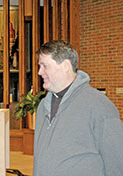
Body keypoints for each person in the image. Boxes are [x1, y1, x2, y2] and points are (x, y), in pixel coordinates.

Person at [33, 40, 123, 176]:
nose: (40, 72)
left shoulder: (98, 105)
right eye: (39, 66)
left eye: (45, 66)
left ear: (66, 66)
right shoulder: (43, 106)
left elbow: (117, 160)